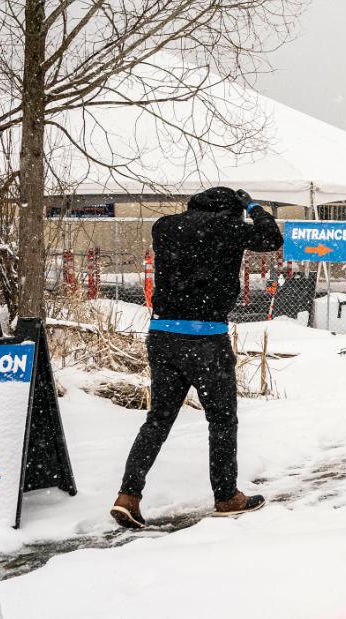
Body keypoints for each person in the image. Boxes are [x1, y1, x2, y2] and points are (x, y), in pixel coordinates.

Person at [110, 187, 283, 529]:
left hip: (162, 335)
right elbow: (271, 237)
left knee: (158, 419)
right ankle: (226, 496)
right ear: (230, 211)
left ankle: (128, 495)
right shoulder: (227, 228)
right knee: (221, 420)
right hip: (205, 338)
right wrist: (253, 207)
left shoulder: (165, 226)